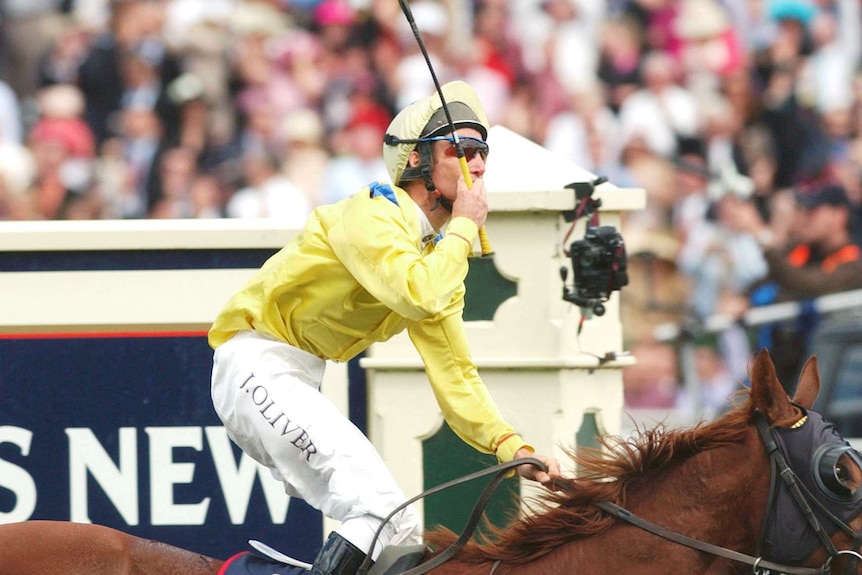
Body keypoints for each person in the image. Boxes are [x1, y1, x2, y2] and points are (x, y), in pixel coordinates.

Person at [208, 80, 562, 575]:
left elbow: (455, 374)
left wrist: (512, 446)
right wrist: (462, 227)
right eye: (460, 149)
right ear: (417, 161)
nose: (478, 163)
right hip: (255, 364)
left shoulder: (438, 262)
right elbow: (416, 292)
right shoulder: (373, 212)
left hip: (296, 375)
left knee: (395, 527)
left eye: (483, 150)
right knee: (377, 510)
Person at [717, 182, 862, 386]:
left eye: (813, 210)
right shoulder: (801, 250)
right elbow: (770, 278)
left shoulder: (855, 263)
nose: (804, 217)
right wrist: (742, 297)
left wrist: (759, 233)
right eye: (802, 210)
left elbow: (807, 284)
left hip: (826, 376)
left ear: (839, 215)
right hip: (782, 367)